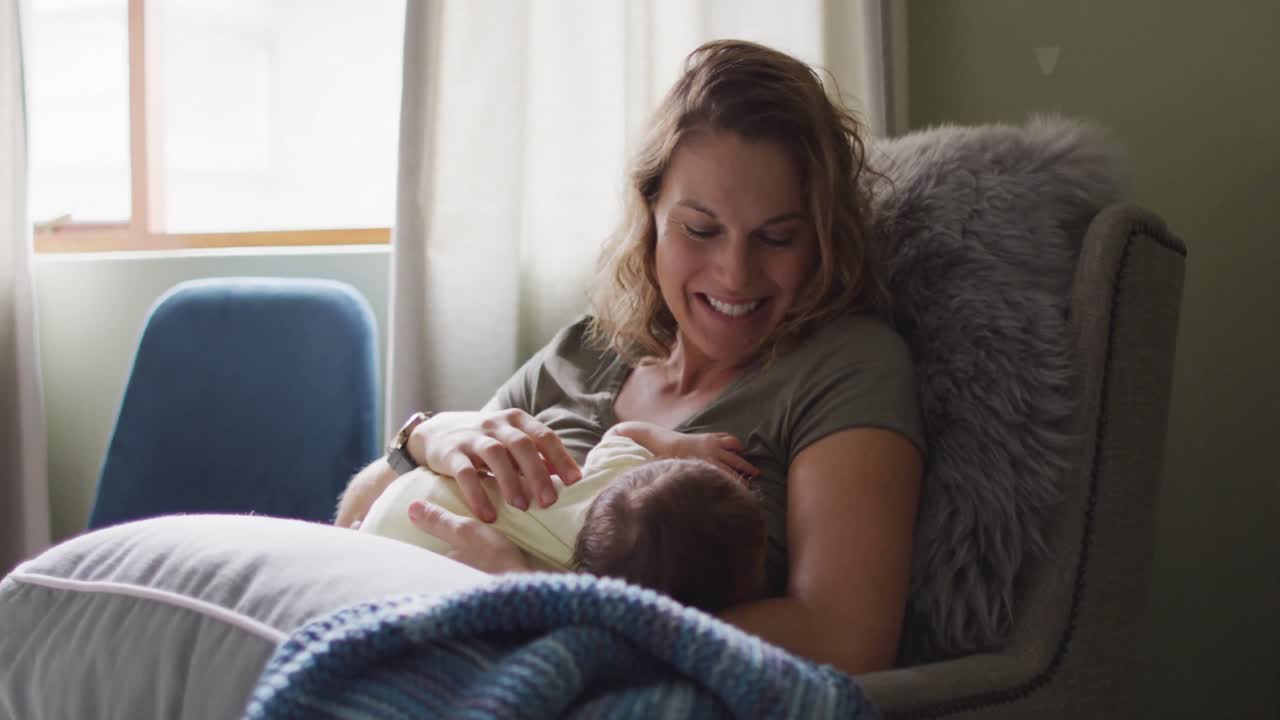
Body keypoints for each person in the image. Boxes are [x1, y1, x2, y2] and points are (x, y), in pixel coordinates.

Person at [336, 39, 925, 676]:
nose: (734, 274)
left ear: (822, 237)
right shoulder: (583, 352)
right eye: (700, 230)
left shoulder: (845, 369)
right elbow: (351, 527)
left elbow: (844, 639)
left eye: (777, 237)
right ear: (650, 217)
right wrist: (424, 438)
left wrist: (542, 610)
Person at [358, 421, 769, 612]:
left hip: (417, 504)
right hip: (414, 537)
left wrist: (676, 443)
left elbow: (622, 433)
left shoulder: (619, 468)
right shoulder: (575, 594)